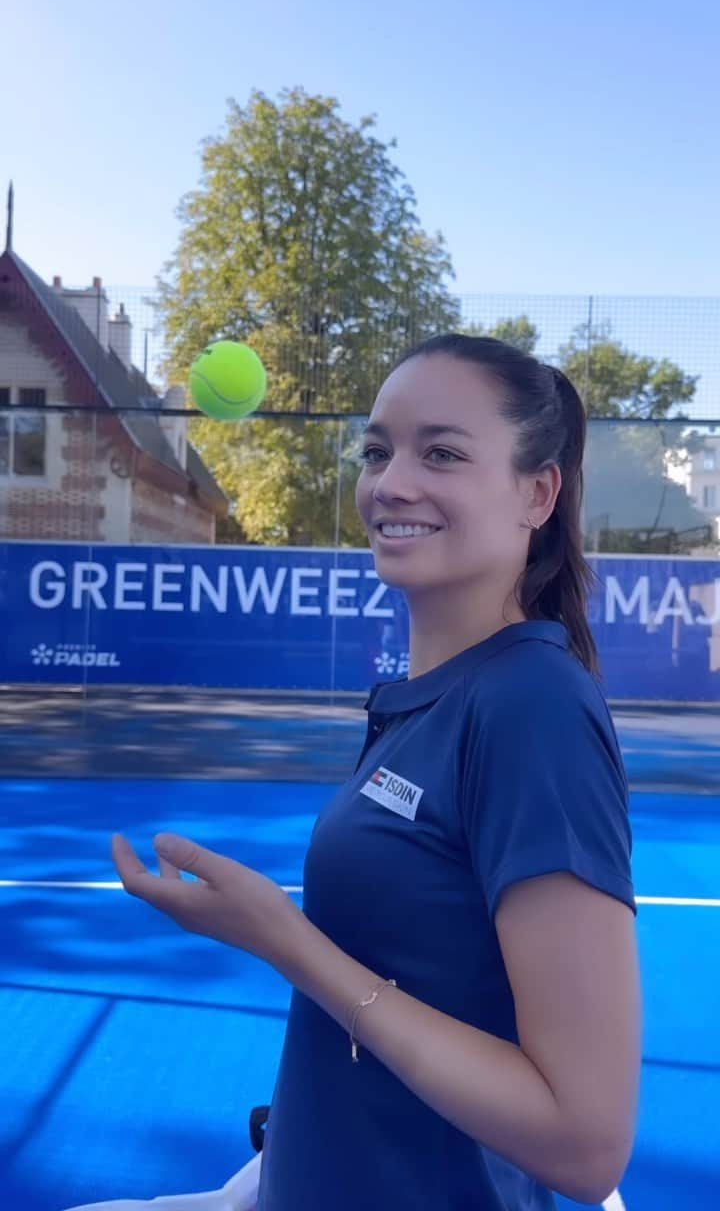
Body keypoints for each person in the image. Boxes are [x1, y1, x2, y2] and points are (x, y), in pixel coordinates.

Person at [113, 334, 642, 1210]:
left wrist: (283, 939)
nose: (391, 482)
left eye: (441, 452)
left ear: (536, 493)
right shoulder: (436, 695)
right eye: (377, 450)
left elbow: (585, 1145)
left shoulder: (531, 706)